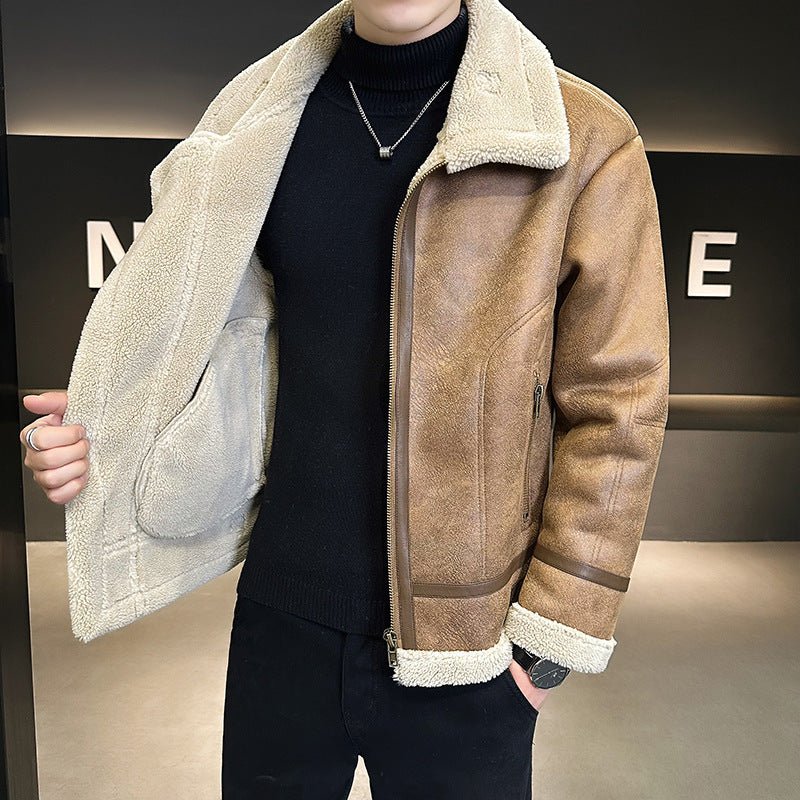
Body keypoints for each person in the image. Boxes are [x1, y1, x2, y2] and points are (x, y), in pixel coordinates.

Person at [19, 0, 670, 797]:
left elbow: (619, 403)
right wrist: (107, 429)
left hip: (466, 651)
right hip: (280, 623)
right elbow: (215, 338)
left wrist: (545, 651)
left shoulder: (580, 136)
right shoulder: (256, 115)